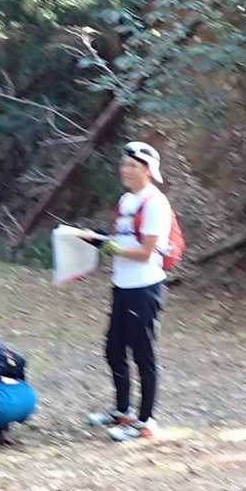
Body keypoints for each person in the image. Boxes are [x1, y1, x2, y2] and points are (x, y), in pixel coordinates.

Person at [79, 141, 173, 442]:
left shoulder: (155, 203)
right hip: (122, 286)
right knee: (114, 350)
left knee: (143, 354)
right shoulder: (126, 200)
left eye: (133, 165)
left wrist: (108, 247)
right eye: (124, 164)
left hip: (145, 288)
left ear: (148, 170)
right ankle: (122, 411)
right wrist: (97, 239)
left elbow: (146, 252)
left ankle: (146, 422)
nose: (126, 170)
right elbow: (122, 239)